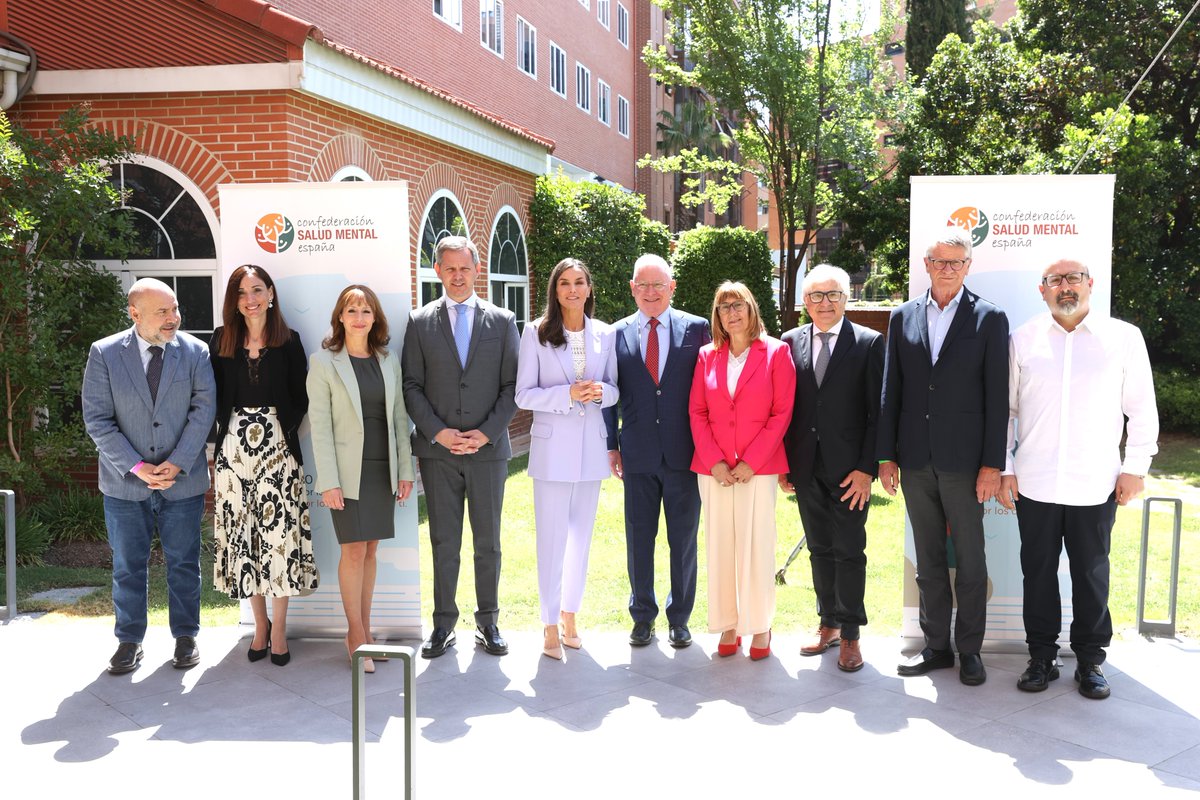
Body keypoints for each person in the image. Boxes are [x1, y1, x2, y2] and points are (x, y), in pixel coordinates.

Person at [999, 259, 1158, 699]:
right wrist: (1006, 468)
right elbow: (1006, 412)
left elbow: (1142, 408)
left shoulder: (1124, 338)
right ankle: (1041, 657)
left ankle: (1090, 662)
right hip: (1035, 482)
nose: (1064, 287)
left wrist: (1135, 467)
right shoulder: (1023, 339)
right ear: (1042, 289)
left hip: (1096, 482)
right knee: (1038, 574)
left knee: (1091, 575)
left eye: (1073, 279)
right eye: (1055, 280)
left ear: (1090, 284)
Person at [877, 228, 1009, 685]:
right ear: (927, 265)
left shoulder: (990, 318)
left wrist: (993, 464)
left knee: (970, 559)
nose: (948, 269)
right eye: (939, 261)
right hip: (914, 459)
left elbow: (998, 396)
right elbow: (891, 389)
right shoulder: (902, 316)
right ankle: (936, 647)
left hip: (967, 463)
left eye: (956, 262)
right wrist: (885, 456)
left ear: (968, 266)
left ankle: (970, 650)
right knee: (929, 558)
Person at [82, 278, 216, 674]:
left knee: (184, 563)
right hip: (125, 483)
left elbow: (203, 410)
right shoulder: (104, 354)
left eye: (175, 309)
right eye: (163, 312)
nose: (174, 318)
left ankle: (186, 637)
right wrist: (137, 467)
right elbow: (97, 418)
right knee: (127, 565)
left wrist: (177, 462)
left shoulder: (196, 352)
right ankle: (129, 641)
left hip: (183, 481)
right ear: (135, 313)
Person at [402, 236, 520, 659]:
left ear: (477, 270)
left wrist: (486, 433)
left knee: (488, 542)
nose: (457, 276)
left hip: (488, 452)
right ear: (438, 271)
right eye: (449, 268)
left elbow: (512, 387)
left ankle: (488, 621)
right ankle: (443, 625)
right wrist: (438, 432)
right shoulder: (418, 322)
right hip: (439, 453)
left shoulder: (503, 321)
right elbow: (411, 386)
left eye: (464, 268)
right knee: (443, 541)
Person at [209, 265, 318, 667]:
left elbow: (301, 398)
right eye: (241, 292)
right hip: (233, 453)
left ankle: (280, 629)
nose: (250, 298)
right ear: (233, 301)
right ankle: (259, 626)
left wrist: (281, 435)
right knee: (244, 541)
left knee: (279, 541)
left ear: (271, 293)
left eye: (257, 289)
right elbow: (213, 399)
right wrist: (221, 449)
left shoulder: (290, 342)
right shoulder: (220, 341)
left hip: (279, 453)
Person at [604, 254, 711, 648]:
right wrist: (611, 445)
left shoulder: (697, 329)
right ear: (632, 288)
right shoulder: (614, 334)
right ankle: (642, 616)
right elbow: (608, 397)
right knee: (639, 538)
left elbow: (709, 390)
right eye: (643, 285)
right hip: (637, 454)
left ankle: (680, 618)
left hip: (686, 455)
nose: (651, 293)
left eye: (658, 285)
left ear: (672, 288)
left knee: (683, 540)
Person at [780, 265, 883, 672]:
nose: (825, 303)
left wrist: (865, 469)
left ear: (846, 298)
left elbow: (879, 412)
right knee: (819, 548)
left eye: (834, 295)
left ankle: (852, 636)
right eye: (817, 296)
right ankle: (828, 623)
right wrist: (786, 464)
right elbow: (788, 408)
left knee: (849, 550)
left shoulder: (870, 343)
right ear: (805, 302)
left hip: (850, 471)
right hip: (805, 467)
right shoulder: (789, 342)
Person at [308, 285, 415, 674]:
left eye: (365, 310)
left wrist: (405, 470)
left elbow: (401, 420)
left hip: (380, 469)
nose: (358, 317)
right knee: (353, 552)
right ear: (339, 316)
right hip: (346, 474)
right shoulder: (323, 363)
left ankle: (364, 631)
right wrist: (329, 481)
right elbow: (319, 428)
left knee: (371, 551)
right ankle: (356, 637)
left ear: (375, 318)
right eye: (351, 310)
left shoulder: (388, 360)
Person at [516, 258, 619, 660]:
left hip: (591, 450)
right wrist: (566, 395)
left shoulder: (604, 334)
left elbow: (614, 389)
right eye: (564, 283)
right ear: (555, 291)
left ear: (589, 289)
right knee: (552, 541)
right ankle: (547, 625)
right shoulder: (535, 334)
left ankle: (570, 615)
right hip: (552, 451)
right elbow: (523, 395)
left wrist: (599, 393)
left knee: (581, 541)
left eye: (579, 282)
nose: (572, 289)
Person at [689, 282, 795, 661]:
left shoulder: (777, 352)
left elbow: (781, 413)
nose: (732, 312)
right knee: (720, 546)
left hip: (759, 469)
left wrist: (752, 461)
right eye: (724, 307)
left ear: (752, 309)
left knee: (757, 545)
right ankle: (728, 623)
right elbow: (697, 412)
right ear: (717, 316)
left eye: (739, 305)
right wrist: (716, 460)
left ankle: (761, 625)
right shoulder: (706, 356)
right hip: (713, 469)